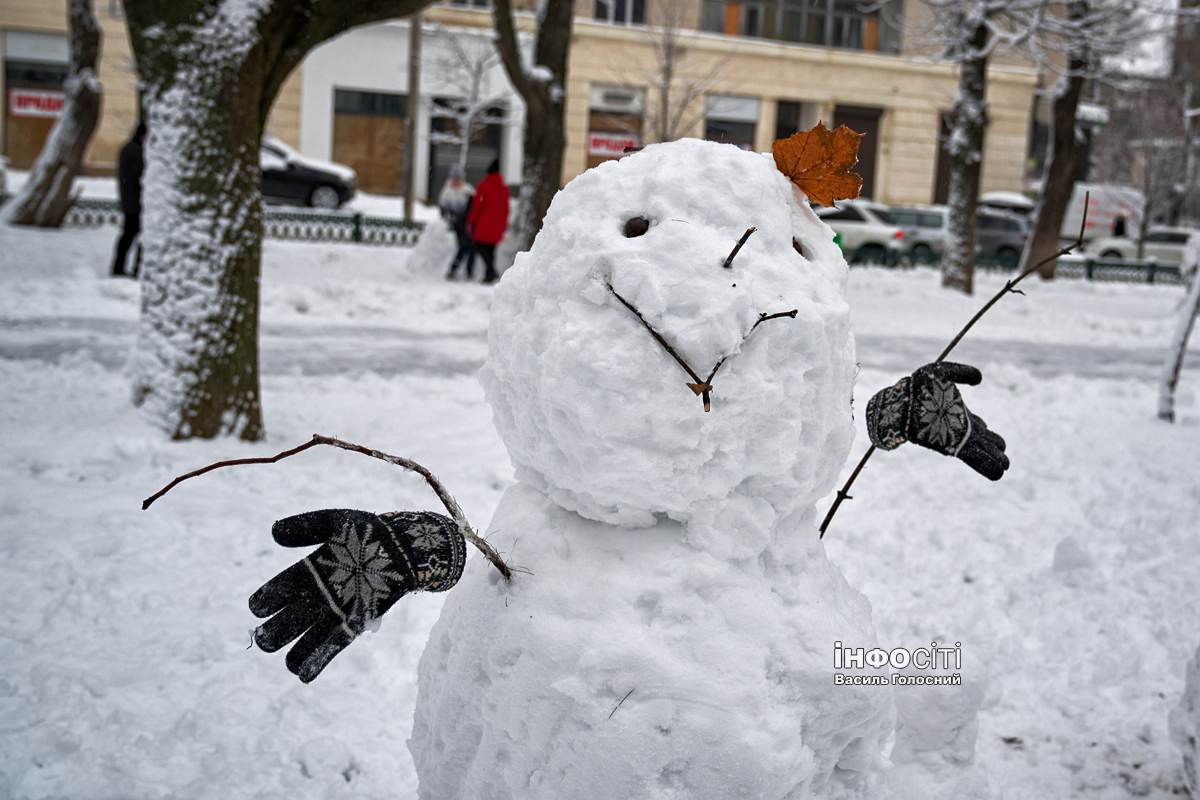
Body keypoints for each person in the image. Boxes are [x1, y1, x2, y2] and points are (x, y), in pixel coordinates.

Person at [466, 159, 510, 284]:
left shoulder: (483, 186)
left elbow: (477, 206)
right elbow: (507, 209)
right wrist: (504, 225)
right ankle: (488, 275)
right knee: (491, 250)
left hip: (483, 224)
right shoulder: (504, 189)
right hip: (498, 224)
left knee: (480, 247)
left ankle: (491, 271)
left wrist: (471, 222)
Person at [110, 122, 146, 278]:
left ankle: (119, 267)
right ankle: (133, 269)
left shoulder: (129, 148)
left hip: (130, 201)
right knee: (134, 236)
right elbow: (139, 176)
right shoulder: (136, 151)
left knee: (128, 236)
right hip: (136, 202)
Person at [439, 165, 476, 279]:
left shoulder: (468, 190)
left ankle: (467, 271)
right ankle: (455, 270)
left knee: (471, 248)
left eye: (458, 178)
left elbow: (474, 206)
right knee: (464, 247)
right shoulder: (447, 192)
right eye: (454, 178)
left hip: (468, 223)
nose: (456, 181)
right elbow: (443, 208)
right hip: (457, 225)